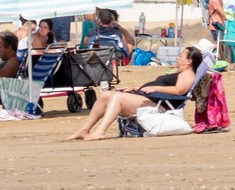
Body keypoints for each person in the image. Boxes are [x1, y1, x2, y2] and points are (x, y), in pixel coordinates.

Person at [70, 45, 204, 141]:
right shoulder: (180, 73)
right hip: (151, 100)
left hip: (161, 107)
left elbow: (179, 91)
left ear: (189, 61)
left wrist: (157, 89)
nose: (177, 58)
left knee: (117, 97)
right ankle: (84, 130)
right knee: (106, 95)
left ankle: (101, 131)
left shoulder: (188, 74)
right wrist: (134, 88)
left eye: (181, 56)